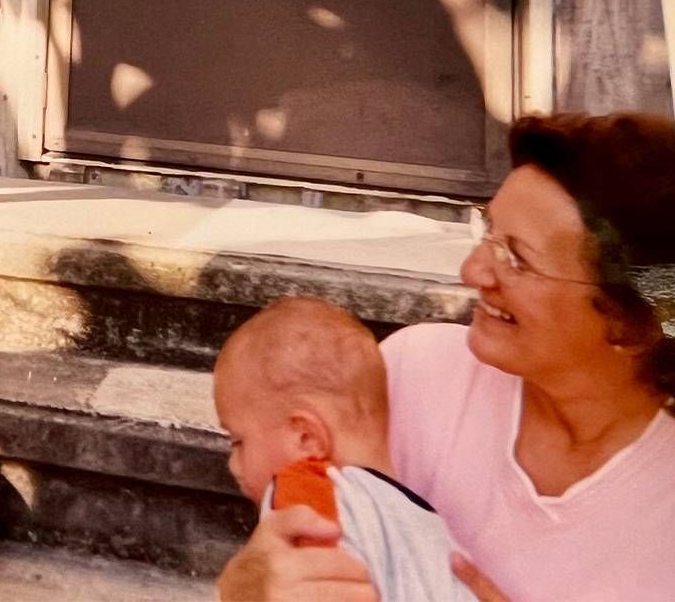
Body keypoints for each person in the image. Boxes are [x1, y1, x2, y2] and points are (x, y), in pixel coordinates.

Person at [218, 112, 675, 601]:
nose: (472, 271)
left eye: (517, 258)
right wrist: (243, 588)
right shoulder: (410, 376)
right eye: (487, 233)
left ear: (629, 323)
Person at [214, 298, 475, 602]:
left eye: (238, 441)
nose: (233, 465)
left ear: (306, 438)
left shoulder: (308, 491)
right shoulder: (435, 534)